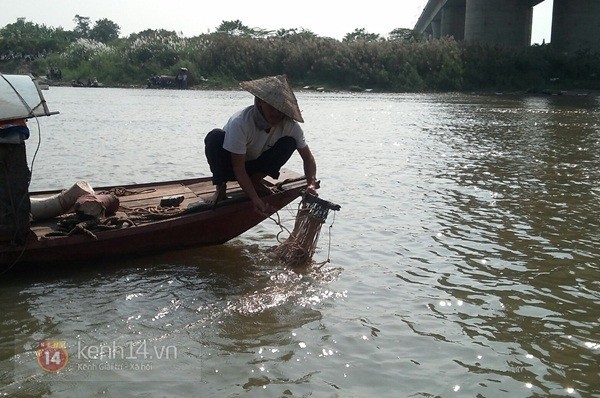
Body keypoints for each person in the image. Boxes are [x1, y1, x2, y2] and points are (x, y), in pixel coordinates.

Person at [204, 74, 318, 215]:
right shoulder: (240, 122)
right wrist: (254, 198)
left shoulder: (290, 126)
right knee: (214, 137)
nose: (275, 113)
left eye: (280, 109)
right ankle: (220, 187)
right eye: (271, 107)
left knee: (289, 142)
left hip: (254, 167)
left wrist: (311, 184)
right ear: (260, 102)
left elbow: (308, 158)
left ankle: (255, 180)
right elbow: (238, 167)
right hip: (231, 167)